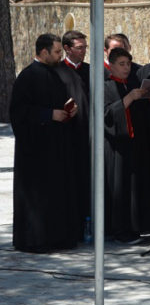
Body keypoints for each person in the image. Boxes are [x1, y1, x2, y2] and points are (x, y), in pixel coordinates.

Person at [10, 33, 80, 252]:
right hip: (36, 151)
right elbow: (18, 112)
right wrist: (49, 114)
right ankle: (36, 240)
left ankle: (59, 237)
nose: (61, 55)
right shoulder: (27, 77)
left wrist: (69, 110)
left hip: (57, 147)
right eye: (57, 52)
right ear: (43, 52)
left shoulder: (54, 74)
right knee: (39, 198)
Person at [104, 48, 150, 244]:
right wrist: (129, 98)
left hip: (136, 145)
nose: (126, 68)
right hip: (117, 148)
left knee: (136, 187)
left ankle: (137, 226)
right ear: (111, 65)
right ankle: (120, 229)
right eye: (121, 64)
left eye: (128, 64)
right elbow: (106, 115)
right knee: (120, 188)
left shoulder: (133, 84)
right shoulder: (105, 86)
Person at [55, 30, 91, 233]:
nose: (83, 51)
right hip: (68, 136)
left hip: (90, 136)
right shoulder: (56, 72)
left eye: (85, 47)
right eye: (79, 48)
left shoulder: (91, 71)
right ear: (67, 49)